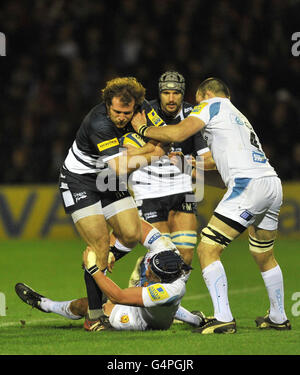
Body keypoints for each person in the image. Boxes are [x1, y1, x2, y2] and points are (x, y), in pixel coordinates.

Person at [131, 77, 291, 334]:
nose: (194, 108)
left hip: (249, 185)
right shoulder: (239, 117)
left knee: (207, 248)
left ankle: (223, 318)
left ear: (204, 94)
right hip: (271, 183)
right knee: (264, 254)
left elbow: (178, 133)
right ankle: (278, 316)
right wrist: (188, 168)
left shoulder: (211, 105)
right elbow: (222, 174)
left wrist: (142, 129)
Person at [59, 76, 168, 330]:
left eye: (126, 113)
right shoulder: (98, 122)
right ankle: (94, 317)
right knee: (98, 243)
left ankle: (98, 263)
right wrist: (151, 151)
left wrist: (145, 147)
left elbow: (165, 135)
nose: (121, 117)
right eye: (116, 112)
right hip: (80, 181)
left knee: (130, 234)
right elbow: (120, 166)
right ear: (107, 105)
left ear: (137, 107)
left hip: (107, 177)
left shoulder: (145, 109)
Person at [129, 71, 215, 267]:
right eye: (166, 93)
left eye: (176, 93)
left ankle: (172, 297)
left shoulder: (193, 116)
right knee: (164, 254)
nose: (171, 98)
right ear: (159, 94)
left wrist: (189, 162)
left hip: (181, 188)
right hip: (149, 190)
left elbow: (207, 160)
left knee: (185, 255)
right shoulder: (144, 112)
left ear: (183, 94)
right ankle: (142, 279)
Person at [15, 248, 205, 331]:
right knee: (90, 302)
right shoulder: (174, 275)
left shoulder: (165, 292)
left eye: (152, 272)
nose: (147, 271)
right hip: (151, 312)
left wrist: (94, 270)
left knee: (90, 306)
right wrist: (196, 320)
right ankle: (46, 304)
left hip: (137, 321)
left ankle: (45, 305)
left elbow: (119, 296)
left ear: (163, 278)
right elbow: (169, 309)